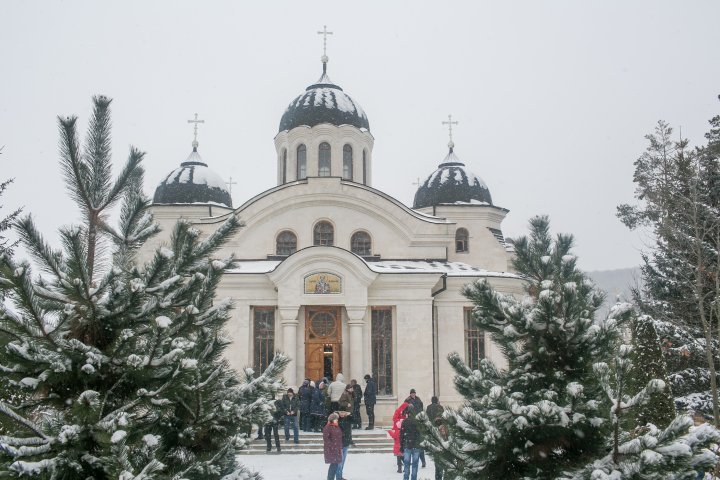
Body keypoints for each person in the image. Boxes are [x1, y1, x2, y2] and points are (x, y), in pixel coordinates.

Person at [400, 404, 422, 480]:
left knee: (406, 465)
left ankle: (406, 478)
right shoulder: (417, 422)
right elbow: (420, 434)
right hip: (416, 445)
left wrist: (401, 446)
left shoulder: (405, 421)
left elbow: (402, 434)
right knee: (415, 465)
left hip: (407, 445)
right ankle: (413, 478)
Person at [404, 389, 425, 467]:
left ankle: (423, 461)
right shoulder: (407, 400)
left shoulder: (418, 399)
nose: (413, 394)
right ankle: (411, 460)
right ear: (410, 394)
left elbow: (421, 408)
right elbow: (404, 410)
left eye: (414, 393)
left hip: (418, 421)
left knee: (419, 442)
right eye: (412, 393)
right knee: (413, 443)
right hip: (411, 421)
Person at [388, 401, 409, 473]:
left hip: (401, 431)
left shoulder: (406, 412)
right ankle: (402, 464)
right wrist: (401, 421)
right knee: (401, 452)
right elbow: (394, 419)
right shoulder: (398, 411)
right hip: (399, 429)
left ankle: (400, 465)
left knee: (399, 453)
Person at [323, 412, 343, 480]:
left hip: (337, 449)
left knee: (335, 465)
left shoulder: (336, 426)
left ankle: (330, 478)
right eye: (336, 419)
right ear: (332, 419)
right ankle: (330, 478)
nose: (337, 420)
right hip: (331, 449)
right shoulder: (328, 427)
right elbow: (326, 439)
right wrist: (332, 446)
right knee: (334, 465)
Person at [336, 410, 353, 480]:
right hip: (339, 444)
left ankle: (339, 477)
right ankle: (338, 478)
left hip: (346, 443)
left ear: (346, 412)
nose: (342, 413)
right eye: (340, 412)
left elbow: (356, 420)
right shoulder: (336, 419)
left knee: (342, 462)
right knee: (339, 463)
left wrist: (349, 415)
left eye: (343, 412)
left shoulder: (348, 419)